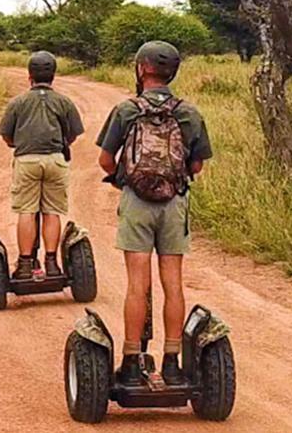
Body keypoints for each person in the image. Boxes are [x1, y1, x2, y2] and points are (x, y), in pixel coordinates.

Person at [96, 41, 213, 385]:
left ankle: (132, 361)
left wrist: (129, 182)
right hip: (174, 203)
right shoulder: (189, 112)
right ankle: (173, 362)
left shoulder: (126, 109)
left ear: (142, 68)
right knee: (173, 283)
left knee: (137, 284)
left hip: (136, 202)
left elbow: (105, 160)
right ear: (171, 71)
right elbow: (197, 164)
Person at [0, 51, 84, 279]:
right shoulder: (64, 102)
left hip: (27, 160)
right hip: (55, 159)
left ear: (30, 76)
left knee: (26, 211)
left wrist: (20, 143)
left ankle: (25, 264)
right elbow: (74, 134)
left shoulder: (18, 102)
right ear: (53, 76)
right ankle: (52, 263)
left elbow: (6, 136)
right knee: (51, 211)